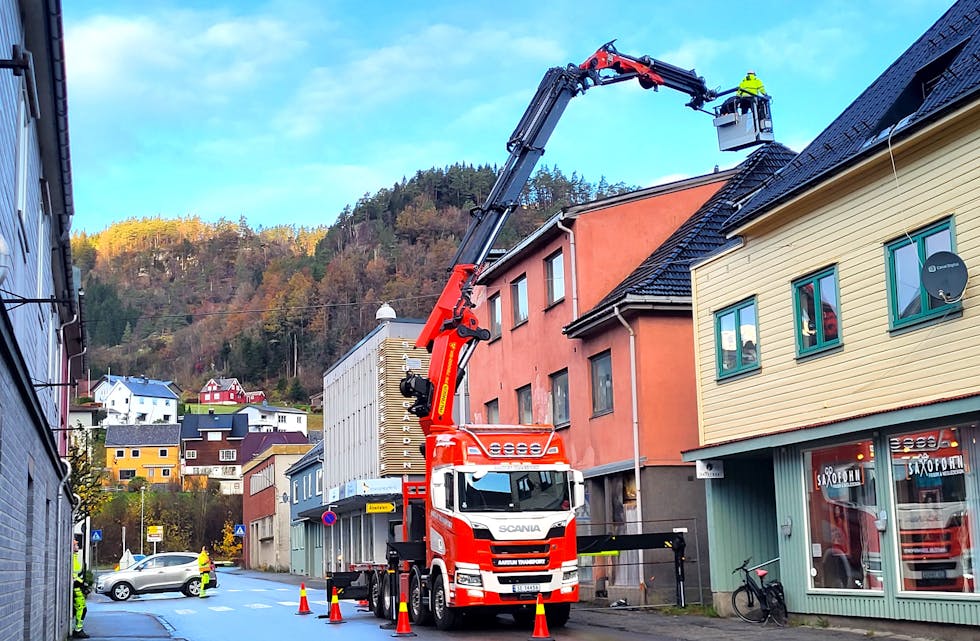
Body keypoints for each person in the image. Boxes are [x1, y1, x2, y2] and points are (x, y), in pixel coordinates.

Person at [72, 538, 90, 638]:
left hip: (77, 588)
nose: (78, 546)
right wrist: (82, 583)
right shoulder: (72, 558)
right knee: (82, 609)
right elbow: (73, 575)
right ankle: (78, 630)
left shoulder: (74, 557)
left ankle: (77, 628)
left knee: (81, 609)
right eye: (76, 545)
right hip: (76, 589)